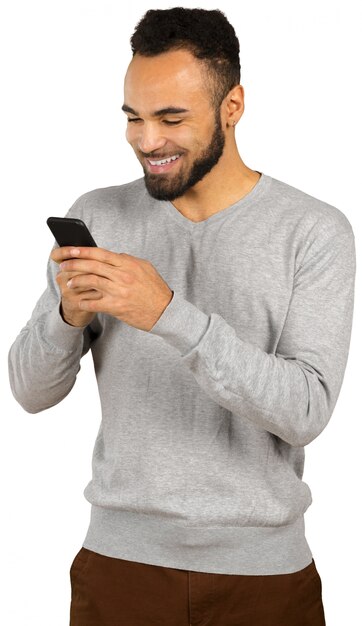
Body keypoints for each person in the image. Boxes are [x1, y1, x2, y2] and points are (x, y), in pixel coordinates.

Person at [8, 7, 355, 626]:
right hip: (119, 564)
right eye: (134, 118)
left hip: (264, 578)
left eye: (171, 118)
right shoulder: (100, 214)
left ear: (233, 106)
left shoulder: (313, 230)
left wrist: (169, 314)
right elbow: (30, 392)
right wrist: (67, 313)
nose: (147, 141)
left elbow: (306, 411)